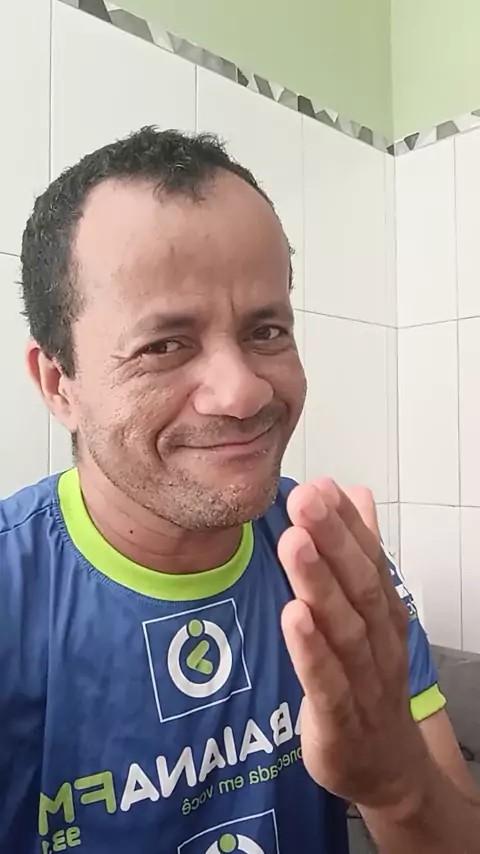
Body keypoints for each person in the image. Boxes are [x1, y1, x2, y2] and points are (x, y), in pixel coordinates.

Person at [0, 126, 478, 854]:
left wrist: (396, 783)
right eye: (165, 345)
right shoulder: (14, 593)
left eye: (266, 332)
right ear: (58, 384)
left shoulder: (329, 559)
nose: (243, 390)